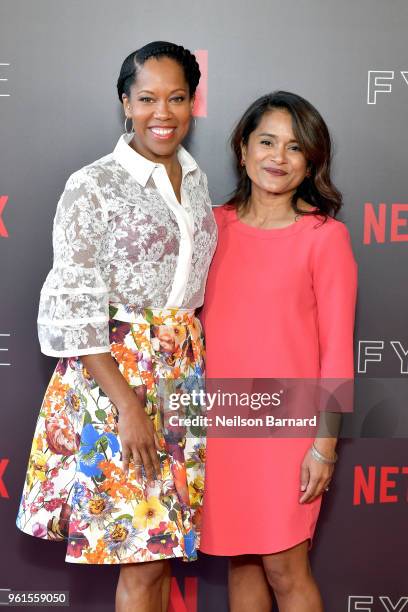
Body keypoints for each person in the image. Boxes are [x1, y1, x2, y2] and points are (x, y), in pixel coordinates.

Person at [16, 41, 217, 612]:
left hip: (181, 381)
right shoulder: (93, 185)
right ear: (124, 103)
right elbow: (74, 313)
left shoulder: (196, 182)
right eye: (147, 98)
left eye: (177, 98)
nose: (163, 112)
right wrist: (127, 405)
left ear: (191, 103)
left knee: (159, 557)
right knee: (139, 560)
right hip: (116, 380)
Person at [199, 91, 357, 611]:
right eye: (267, 141)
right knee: (240, 561)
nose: (277, 157)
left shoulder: (324, 238)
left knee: (285, 570)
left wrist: (324, 447)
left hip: (288, 431)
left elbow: (337, 354)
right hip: (218, 425)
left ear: (311, 162)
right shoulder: (209, 227)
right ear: (243, 149)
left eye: (294, 148)